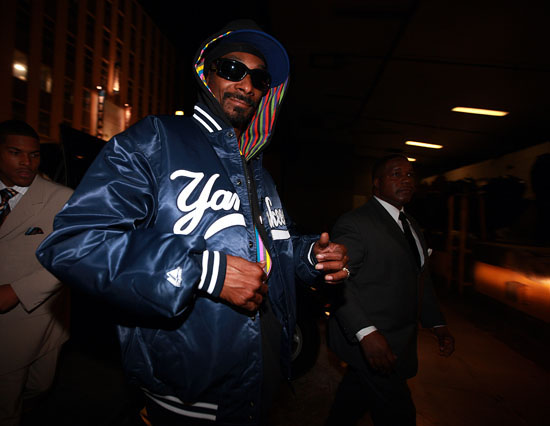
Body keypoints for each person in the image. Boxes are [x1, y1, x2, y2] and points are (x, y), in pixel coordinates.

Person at [36, 20, 348, 426]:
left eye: (259, 77)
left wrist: (310, 256)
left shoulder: (258, 170)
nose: (247, 85)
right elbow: (74, 244)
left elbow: (272, 251)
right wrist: (205, 271)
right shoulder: (155, 139)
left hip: (260, 388)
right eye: (233, 70)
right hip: (188, 393)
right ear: (206, 73)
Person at [325, 154, 454, 426]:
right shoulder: (356, 224)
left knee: (350, 404)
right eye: (396, 174)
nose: (406, 180)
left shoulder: (411, 224)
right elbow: (337, 280)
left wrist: (437, 322)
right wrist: (366, 332)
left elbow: (420, 277)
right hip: (376, 344)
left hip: (400, 340)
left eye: (409, 175)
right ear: (376, 183)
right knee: (399, 415)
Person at [0, 120, 73, 426]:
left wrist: (17, 291)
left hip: (36, 316)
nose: (26, 162)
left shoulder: (63, 198)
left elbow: (71, 256)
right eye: (16, 153)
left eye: (34, 155)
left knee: (38, 386)